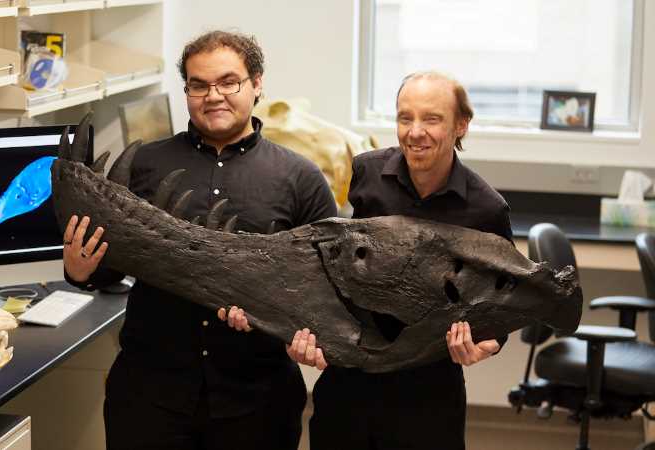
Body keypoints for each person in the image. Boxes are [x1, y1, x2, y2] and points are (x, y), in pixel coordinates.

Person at [62, 30, 337, 450]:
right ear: (186, 88)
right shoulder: (141, 165)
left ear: (257, 84)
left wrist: (273, 317)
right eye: (199, 85)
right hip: (149, 398)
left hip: (257, 403)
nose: (214, 96)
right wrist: (80, 272)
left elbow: (322, 287)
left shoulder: (300, 179)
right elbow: (109, 267)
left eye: (229, 82)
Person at [226, 71, 513, 449]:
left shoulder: (486, 209)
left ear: (461, 125)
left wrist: (487, 343)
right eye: (404, 117)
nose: (415, 132)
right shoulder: (366, 173)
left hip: (428, 392)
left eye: (432, 119)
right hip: (351, 382)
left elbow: (504, 302)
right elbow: (336, 274)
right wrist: (304, 332)